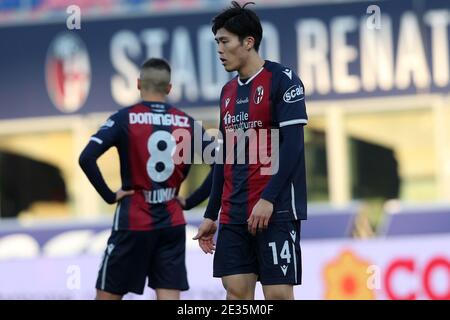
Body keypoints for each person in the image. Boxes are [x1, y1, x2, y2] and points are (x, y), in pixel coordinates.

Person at [193, 1, 308, 300]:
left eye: (224, 41)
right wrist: (211, 213)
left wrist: (268, 199)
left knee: (278, 294)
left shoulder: (283, 80)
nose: (219, 49)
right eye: (216, 41)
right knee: (236, 291)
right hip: (234, 213)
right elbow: (224, 155)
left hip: (277, 210)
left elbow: (294, 146)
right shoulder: (228, 92)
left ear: (248, 42)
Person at [79, 58, 212, 300]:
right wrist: (191, 201)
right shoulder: (187, 123)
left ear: (138, 84)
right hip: (171, 221)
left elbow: (86, 158)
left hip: (133, 220)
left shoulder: (124, 118)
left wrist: (110, 196)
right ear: (169, 88)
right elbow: (222, 166)